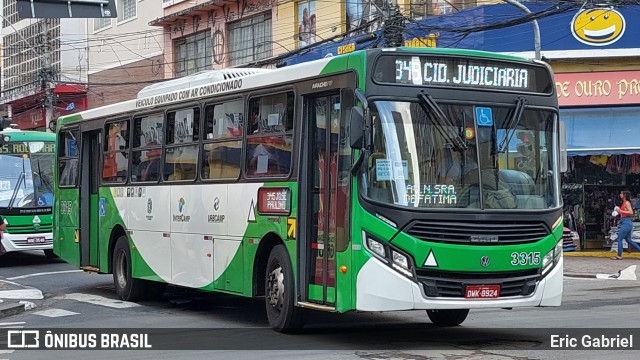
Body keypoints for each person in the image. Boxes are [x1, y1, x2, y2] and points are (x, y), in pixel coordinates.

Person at [611, 190, 640, 260]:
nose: (620, 194)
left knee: (620, 238)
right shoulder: (624, 203)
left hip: (626, 222)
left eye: (621, 193)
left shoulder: (626, 203)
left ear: (624, 195)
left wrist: (620, 211)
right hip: (626, 222)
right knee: (628, 240)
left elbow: (631, 212)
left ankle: (619, 255)